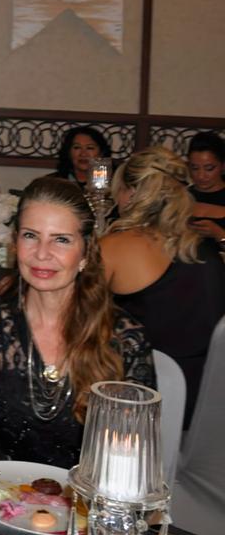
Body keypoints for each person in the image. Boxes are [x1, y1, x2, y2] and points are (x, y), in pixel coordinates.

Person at [0, 177, 153, 467]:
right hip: (1, 493)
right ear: (15, 243)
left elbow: (129, 459)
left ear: (85, 253)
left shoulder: (125, 339)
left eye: (61, 239)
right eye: (30, 236)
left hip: (90, 494)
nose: (42, 253)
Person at [102, 147, 225, 425]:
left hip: (141, 399)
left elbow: (77, 315)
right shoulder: (205, 248)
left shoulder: (116, 247)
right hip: (208, 401)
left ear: (132, 193)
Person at [186, 131, 225, 246]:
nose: (201, 176)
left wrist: (220, 234)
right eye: (194, 168)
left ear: (223, 166)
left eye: (209, 168)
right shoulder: (181, 196)